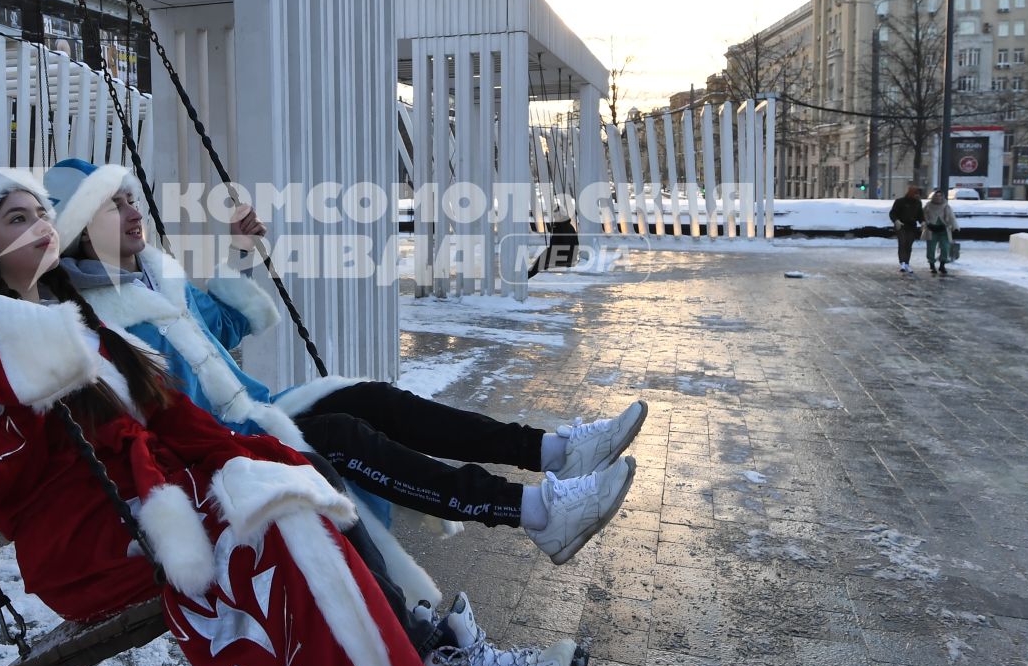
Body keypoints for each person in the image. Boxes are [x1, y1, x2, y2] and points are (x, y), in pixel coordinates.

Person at [0, 170, 585, 666]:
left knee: (294, 484)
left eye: (39, 214)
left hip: (149, 500)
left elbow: (167, 412)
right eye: (15, 220)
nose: (38, 227)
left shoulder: (81, 319)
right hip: (85, 541)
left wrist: (252, 455)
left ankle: (438, 663)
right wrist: (11, 377)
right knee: (273, 519)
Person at [41, 158, 643, 570]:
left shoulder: (158, 276)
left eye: (129, 197)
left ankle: (553, 452)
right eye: (113, 204)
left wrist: (241, 255)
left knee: (376, 400)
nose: (132, 209)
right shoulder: (94, 326)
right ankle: (532, 511)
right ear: (79, 228)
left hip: (259, 412)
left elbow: (219, 329)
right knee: (345, 438)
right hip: (219, 453)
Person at [888, 184, 925, 274]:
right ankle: (903, 263)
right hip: (901, 226)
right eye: (915, 193)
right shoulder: (900, 201)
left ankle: (907, 262)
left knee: (909, 244)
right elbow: (892, 213)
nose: (917, 195)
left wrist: (923, 222)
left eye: (918, 194)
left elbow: (920, 215)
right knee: (902, 242)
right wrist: (896, 221)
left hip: (912, 226)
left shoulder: (918, 203)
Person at [922, 189, 958, 276]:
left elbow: (951, 217)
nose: (938, 198)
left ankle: (942, 265)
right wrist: (927, 223)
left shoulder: (946, 206)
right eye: (937, 196)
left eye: (940, 196)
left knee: (945, 247)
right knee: (931, 248)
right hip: (932, 229)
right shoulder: (928, 206)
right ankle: (932, 265)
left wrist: (955, 227)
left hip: (944, 230)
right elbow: (923, 216)